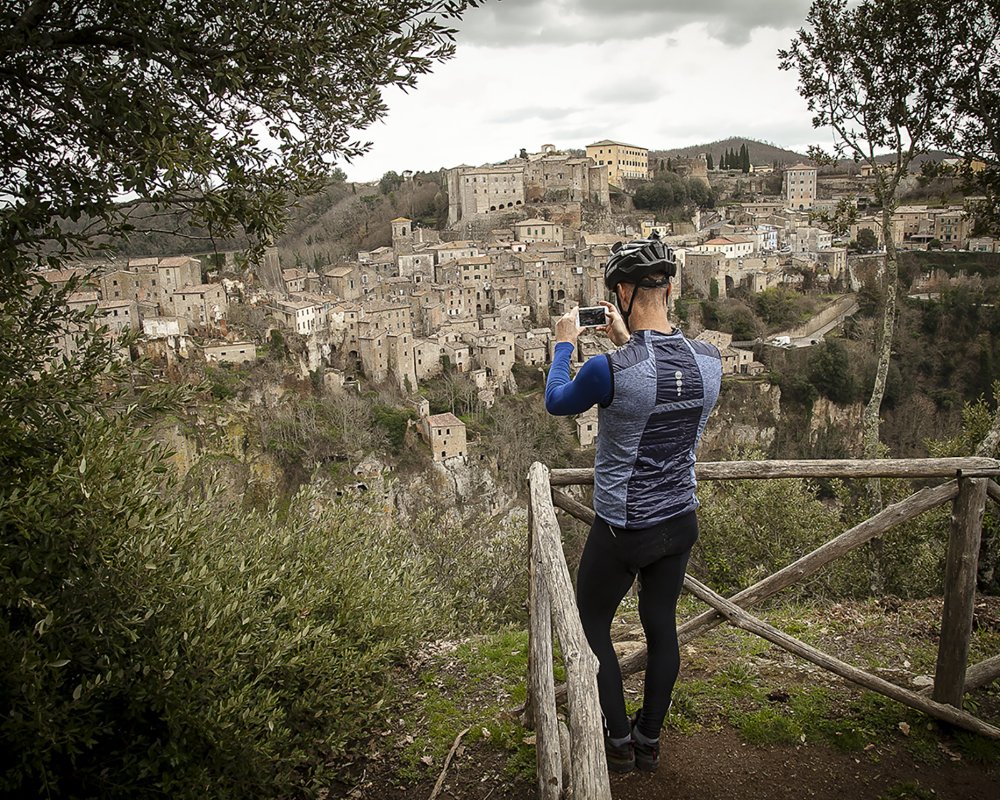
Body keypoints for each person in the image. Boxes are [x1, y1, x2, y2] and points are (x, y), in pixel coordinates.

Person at [543, 235, 721, 773]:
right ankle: (649, 740)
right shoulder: (710, 359)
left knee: (591, 619)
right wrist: (627, 340)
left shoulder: (609, 370)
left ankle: (616, 741)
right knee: (661, 626)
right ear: (669, 287)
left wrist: (563, 343)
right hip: (680, 518)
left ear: (621, 292)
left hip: (625, 526)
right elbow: (663, 377)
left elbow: (557, 401)